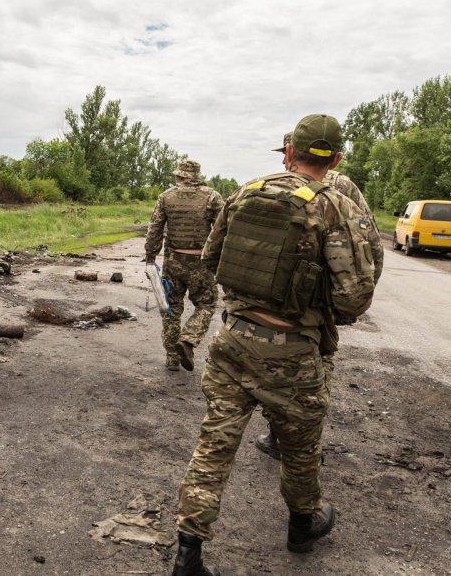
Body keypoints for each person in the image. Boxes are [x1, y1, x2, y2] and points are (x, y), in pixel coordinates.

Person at [172, 115, 380, 576]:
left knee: (214, 444)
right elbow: (355, 298)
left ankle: (188, 554)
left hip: (232, 342)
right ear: (336, 160)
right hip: (294, 353)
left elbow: (211, 258)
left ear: (289, 152)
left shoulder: (246, 192)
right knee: (300, 448)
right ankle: (303, 525)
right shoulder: (337, 207)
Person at [253, 133, 384, 459]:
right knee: (315, 365)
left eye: (285, 153)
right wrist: (351, 303)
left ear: (292, 152)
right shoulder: (343, 186)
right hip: (320, 302)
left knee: (277, 366)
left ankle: (285, 438)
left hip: (280, 299)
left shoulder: (275, 185)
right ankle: (298, 440)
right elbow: (372, 245)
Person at [143, 159, 224, 371]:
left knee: (171, 309)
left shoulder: (166, 197)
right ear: (196, 176)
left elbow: (154, 229)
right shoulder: (212, 197)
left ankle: (172, 357)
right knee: (206, 304)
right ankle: (188, 339)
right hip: (201, 263)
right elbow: (223, 230)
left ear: (180, 175)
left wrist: (150, 258)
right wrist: (219, 259)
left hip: (173, 262)